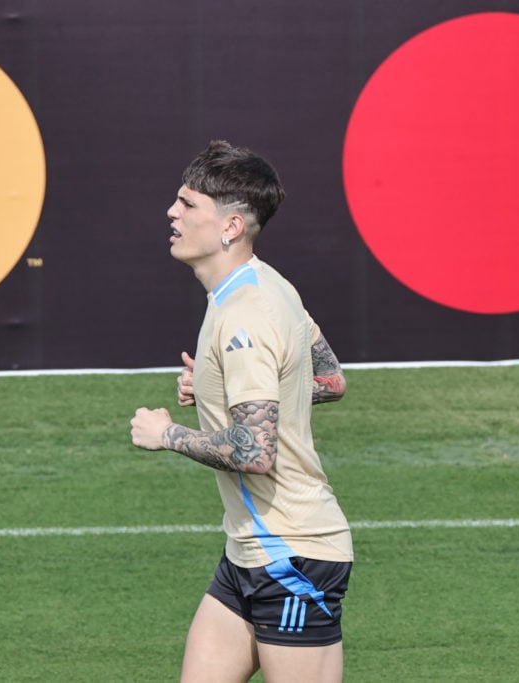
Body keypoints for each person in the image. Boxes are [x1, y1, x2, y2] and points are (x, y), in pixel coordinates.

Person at [130, 140, 353, 682]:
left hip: (295, 556)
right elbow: (328, 379)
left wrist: (168, 435)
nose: (172, 213)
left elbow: (255, 450)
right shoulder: (267, 284)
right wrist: (218, 392)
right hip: (247, 554)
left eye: (188, 205)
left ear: (230, 226)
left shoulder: (243, 316)